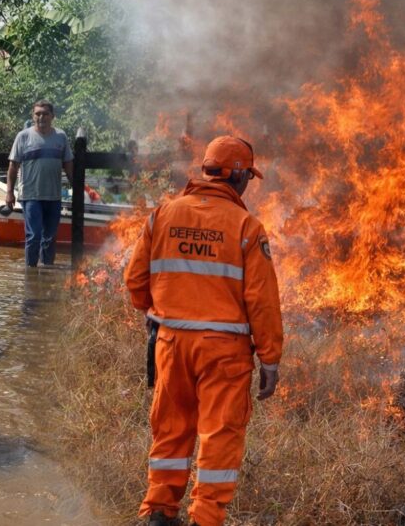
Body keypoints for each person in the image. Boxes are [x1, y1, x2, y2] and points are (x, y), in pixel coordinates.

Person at [125, 136, 283, 526]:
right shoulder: (247, 226)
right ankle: (206, 517)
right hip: (224, 351)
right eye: (249, 176)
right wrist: (271, 359)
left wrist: (156, 308)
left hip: (171, 343)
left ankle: (160, 511)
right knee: (219, 435)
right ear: (240, 176)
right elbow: (261, 302)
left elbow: (135, 281)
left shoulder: (162, 214)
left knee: (171, 428)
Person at [5, 100, 74, 267]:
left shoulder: (61, 137)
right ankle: (31, 273)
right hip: (31, 195)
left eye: (45, 113)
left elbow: (69, 165)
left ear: (52, 116)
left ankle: (47, 273)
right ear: (33, 116)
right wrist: (9, 192)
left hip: (53, 196)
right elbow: (13, 166)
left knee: (50, 238)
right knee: (34, 236)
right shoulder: (23, 137)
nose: (41, 117)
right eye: (38, 114)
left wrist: (77, 188)